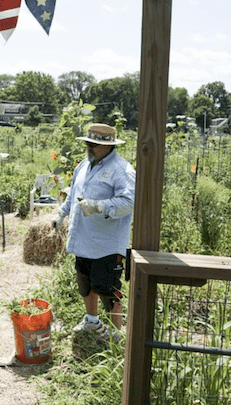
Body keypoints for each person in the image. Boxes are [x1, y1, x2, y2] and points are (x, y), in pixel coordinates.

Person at [51, 123, 136, 342]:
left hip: (106, 244)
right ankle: (91, 321)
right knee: (85, 284)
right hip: (83, 239)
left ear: (108, 146)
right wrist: (61, 213)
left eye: (95, 144)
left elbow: (129, 202)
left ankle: (116, 334)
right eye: (88, 143)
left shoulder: (121, 170)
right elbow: (73, 195)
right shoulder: (84, 165)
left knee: (108, 289)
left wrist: (99, 206)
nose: (90, 147)